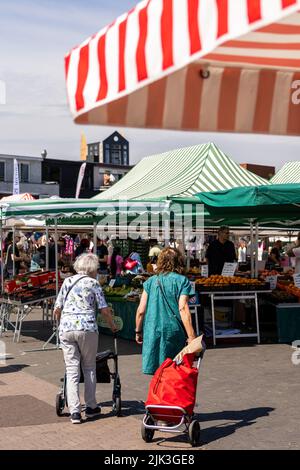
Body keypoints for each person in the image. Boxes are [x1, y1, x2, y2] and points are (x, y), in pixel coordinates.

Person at [53, 253, 117, 424]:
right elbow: (104, 309)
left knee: (72, 369)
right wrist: (112, 325)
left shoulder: (67, 281)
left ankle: (74, 412)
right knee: (89, 367)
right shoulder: (93, 283)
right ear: (92, 269)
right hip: (87, 327)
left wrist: (61, 323)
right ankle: (90, 405)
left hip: (67, 328)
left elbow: (57, 308)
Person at [135, 247, 196, 375]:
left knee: (157, 372)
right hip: (173, 331)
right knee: (174, 371)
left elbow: (141, 310)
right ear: (179, 261)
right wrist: (191, 337)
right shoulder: (182, 281)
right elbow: (183, 308)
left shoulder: (150, 281)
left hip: (152, 330)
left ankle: (159, 394)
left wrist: (138, 331)